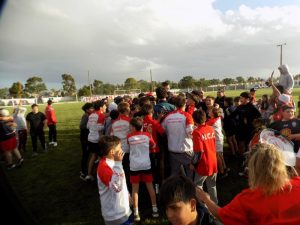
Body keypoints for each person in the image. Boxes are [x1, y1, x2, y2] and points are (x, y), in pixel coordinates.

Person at [196, 143, 300, 225]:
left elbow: (222, 216)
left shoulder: (247, 200)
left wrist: (206, 199)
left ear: (253, 169)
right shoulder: (297, 183)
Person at [127, 117, 159, 221]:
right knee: (150, 187)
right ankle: (155, 209)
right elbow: (153, 146)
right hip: (146, 165)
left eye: (130, 126)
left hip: (134, 166)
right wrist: (149, 134)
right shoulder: (147, 135)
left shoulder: (129, 137)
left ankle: (136, 212)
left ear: (133, 127)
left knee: (135, 189)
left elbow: (129, 146)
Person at [97, 136, 133, 225]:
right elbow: (117, 188)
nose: (121, 149)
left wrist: (127, 195)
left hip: (123, 209)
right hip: (115, 214)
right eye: (120, 147)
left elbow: (122, 181)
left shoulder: (114, 162)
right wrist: (118, 164)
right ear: (112, 152)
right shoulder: (104, 168)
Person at [162, 95, 194, 178]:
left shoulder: (168, 116)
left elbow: (163, 130)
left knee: (174, 174)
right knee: (190, 173)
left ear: (175, 105)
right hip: (185, 149)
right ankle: (190, 190)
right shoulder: (187, 116)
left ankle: (175, 190)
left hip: (172, 149)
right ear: (185, 104)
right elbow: (190, 133)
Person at [191, 109, 218, 204]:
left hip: (204, 162)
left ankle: (203, 206)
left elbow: (199, 152)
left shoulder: (196, 132)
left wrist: (193, 164)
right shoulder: (211, 128)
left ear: (194, 120)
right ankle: (215, 204)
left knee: (198, 186)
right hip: (213, 160)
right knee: (212, 185)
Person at [141, 103, 165, 193]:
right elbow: (163, 133)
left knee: (147, 172)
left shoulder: (140, 123)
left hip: (144, 151)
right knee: (156, 173)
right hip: (155, 150)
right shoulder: (154, 123)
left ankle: (147, 190)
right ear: (152, 112)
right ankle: (157, 190)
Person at [86, 100, 106, 181]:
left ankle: (89, 174)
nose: (106, 107)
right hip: (97, 139)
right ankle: (102, 177)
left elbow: (87, 126)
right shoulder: (100, 115)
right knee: (102, 158)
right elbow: (100, 128)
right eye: (104, 106)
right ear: (101, 107)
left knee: (93, 156)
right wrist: (103, 125)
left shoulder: (91, 115)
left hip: (90, 138)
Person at [207, 107, 228, 179]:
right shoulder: (217, 118)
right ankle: (224, 168)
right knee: (220, 154)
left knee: (217, 155)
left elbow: (204, 126)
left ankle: (221, 171)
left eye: (210, 111)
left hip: (217, 140)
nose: (208, 112)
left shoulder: (212, 121)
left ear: (213, 113)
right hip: (219, 139)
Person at [79, 102, 94, 180]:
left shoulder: (89, 115)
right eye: (91, 108)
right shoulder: (85, 116)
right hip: (84, 138)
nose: (93, 109)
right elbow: (81, 126)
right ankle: (83, 172)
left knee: (88, 154)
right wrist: (90, 126)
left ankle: (86, 170)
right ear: (87, 109)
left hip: (87, 137)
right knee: (85, 154)